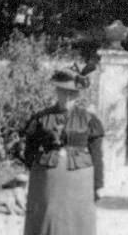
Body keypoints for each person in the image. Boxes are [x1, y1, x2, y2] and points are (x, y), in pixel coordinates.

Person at [23, 63, 105, 235]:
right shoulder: (41, 118)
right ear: (57, 92)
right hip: (47, 182)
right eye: (63, 92)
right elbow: (29, 148)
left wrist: (97, 185)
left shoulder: (90, 120)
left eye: (72, 93)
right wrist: (39, 169)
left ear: (78, 95)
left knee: (77, 221)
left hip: (79, 182)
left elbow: (96, 155)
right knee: (47, 218)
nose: (67, 97)